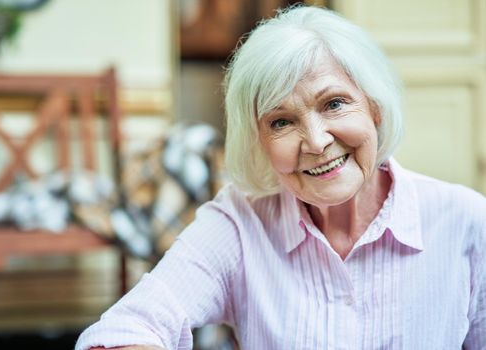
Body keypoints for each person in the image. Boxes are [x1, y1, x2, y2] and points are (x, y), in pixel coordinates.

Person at [76, 4, 486, 350]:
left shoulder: (465, 220)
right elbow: (126, 328)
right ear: (259, 140)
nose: (316, 141)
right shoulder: (240, 222)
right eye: (281, 122)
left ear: (374, 108)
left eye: (335, 104)